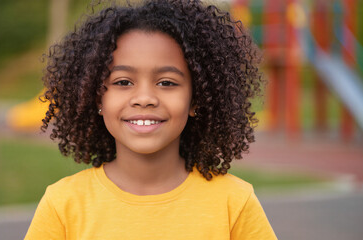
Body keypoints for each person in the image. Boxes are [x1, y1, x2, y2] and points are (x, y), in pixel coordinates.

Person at [25, 0, 277, 239]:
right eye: (123, 82)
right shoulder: (63, 205)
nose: (144, 98)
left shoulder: (234, 202)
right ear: (96, 98)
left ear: (196, 99)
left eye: (166, 83)